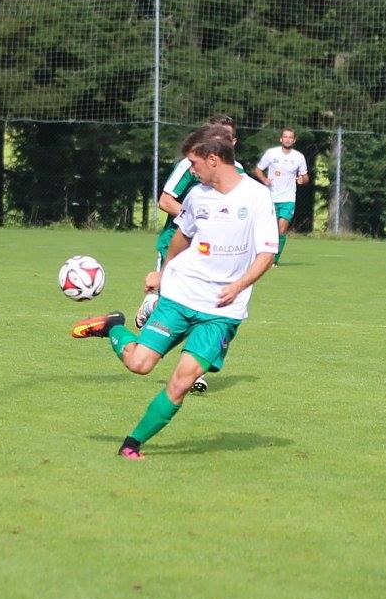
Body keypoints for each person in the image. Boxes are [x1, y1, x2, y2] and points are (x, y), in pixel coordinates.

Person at [71, 124, 277, 459]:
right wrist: (164, 273)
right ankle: (113, 326)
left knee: (182, 383)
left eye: (194, 163)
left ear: (213, 159)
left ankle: (131, 444)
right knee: (139, 364)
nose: (191, 170)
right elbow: (182, 237)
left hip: (221, 312)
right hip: (181, 296)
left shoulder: (257, 197)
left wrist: (238, 285)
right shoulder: (197, 197)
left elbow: (267, 253)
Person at [135, 114, 242, 393]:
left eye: (227, 137)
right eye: (217, 135)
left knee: (205, 303)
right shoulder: (190, 165)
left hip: (212, 253)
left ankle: (193, 371)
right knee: (175, 302)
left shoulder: (239, 174)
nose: (222, 141)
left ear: (233, 142)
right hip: (178, 243)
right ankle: (152, 306)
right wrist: (196, 218)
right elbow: (165, 200)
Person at [252, 128, 308, 267]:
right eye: (285, 137)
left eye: (290, 137)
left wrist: (302, 180)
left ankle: (274, 260)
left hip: (288, 198)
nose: (288, 139)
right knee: (267, 230)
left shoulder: (299, 157)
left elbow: (305, 177)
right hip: (270, 198)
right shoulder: (271, 153)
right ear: (281, 139)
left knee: (281, 230)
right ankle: (259, 256)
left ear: (294, 140)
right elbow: (258, 169)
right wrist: (264, 179)